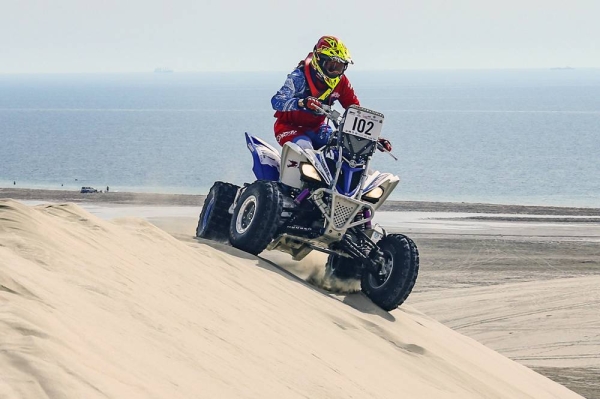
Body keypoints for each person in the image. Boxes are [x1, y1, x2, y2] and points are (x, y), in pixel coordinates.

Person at [271, 35, 392, 152]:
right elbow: (277, 101)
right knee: (305, 147)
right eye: (332, 66)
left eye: (339, 67)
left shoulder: (342, 82)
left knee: (341, 149)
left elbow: (356, 111)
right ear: (319, 60)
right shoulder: (299, 77)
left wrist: (373, 138)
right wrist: (302, 103)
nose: (335, 72)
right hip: (288, 127)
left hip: (318, 129)